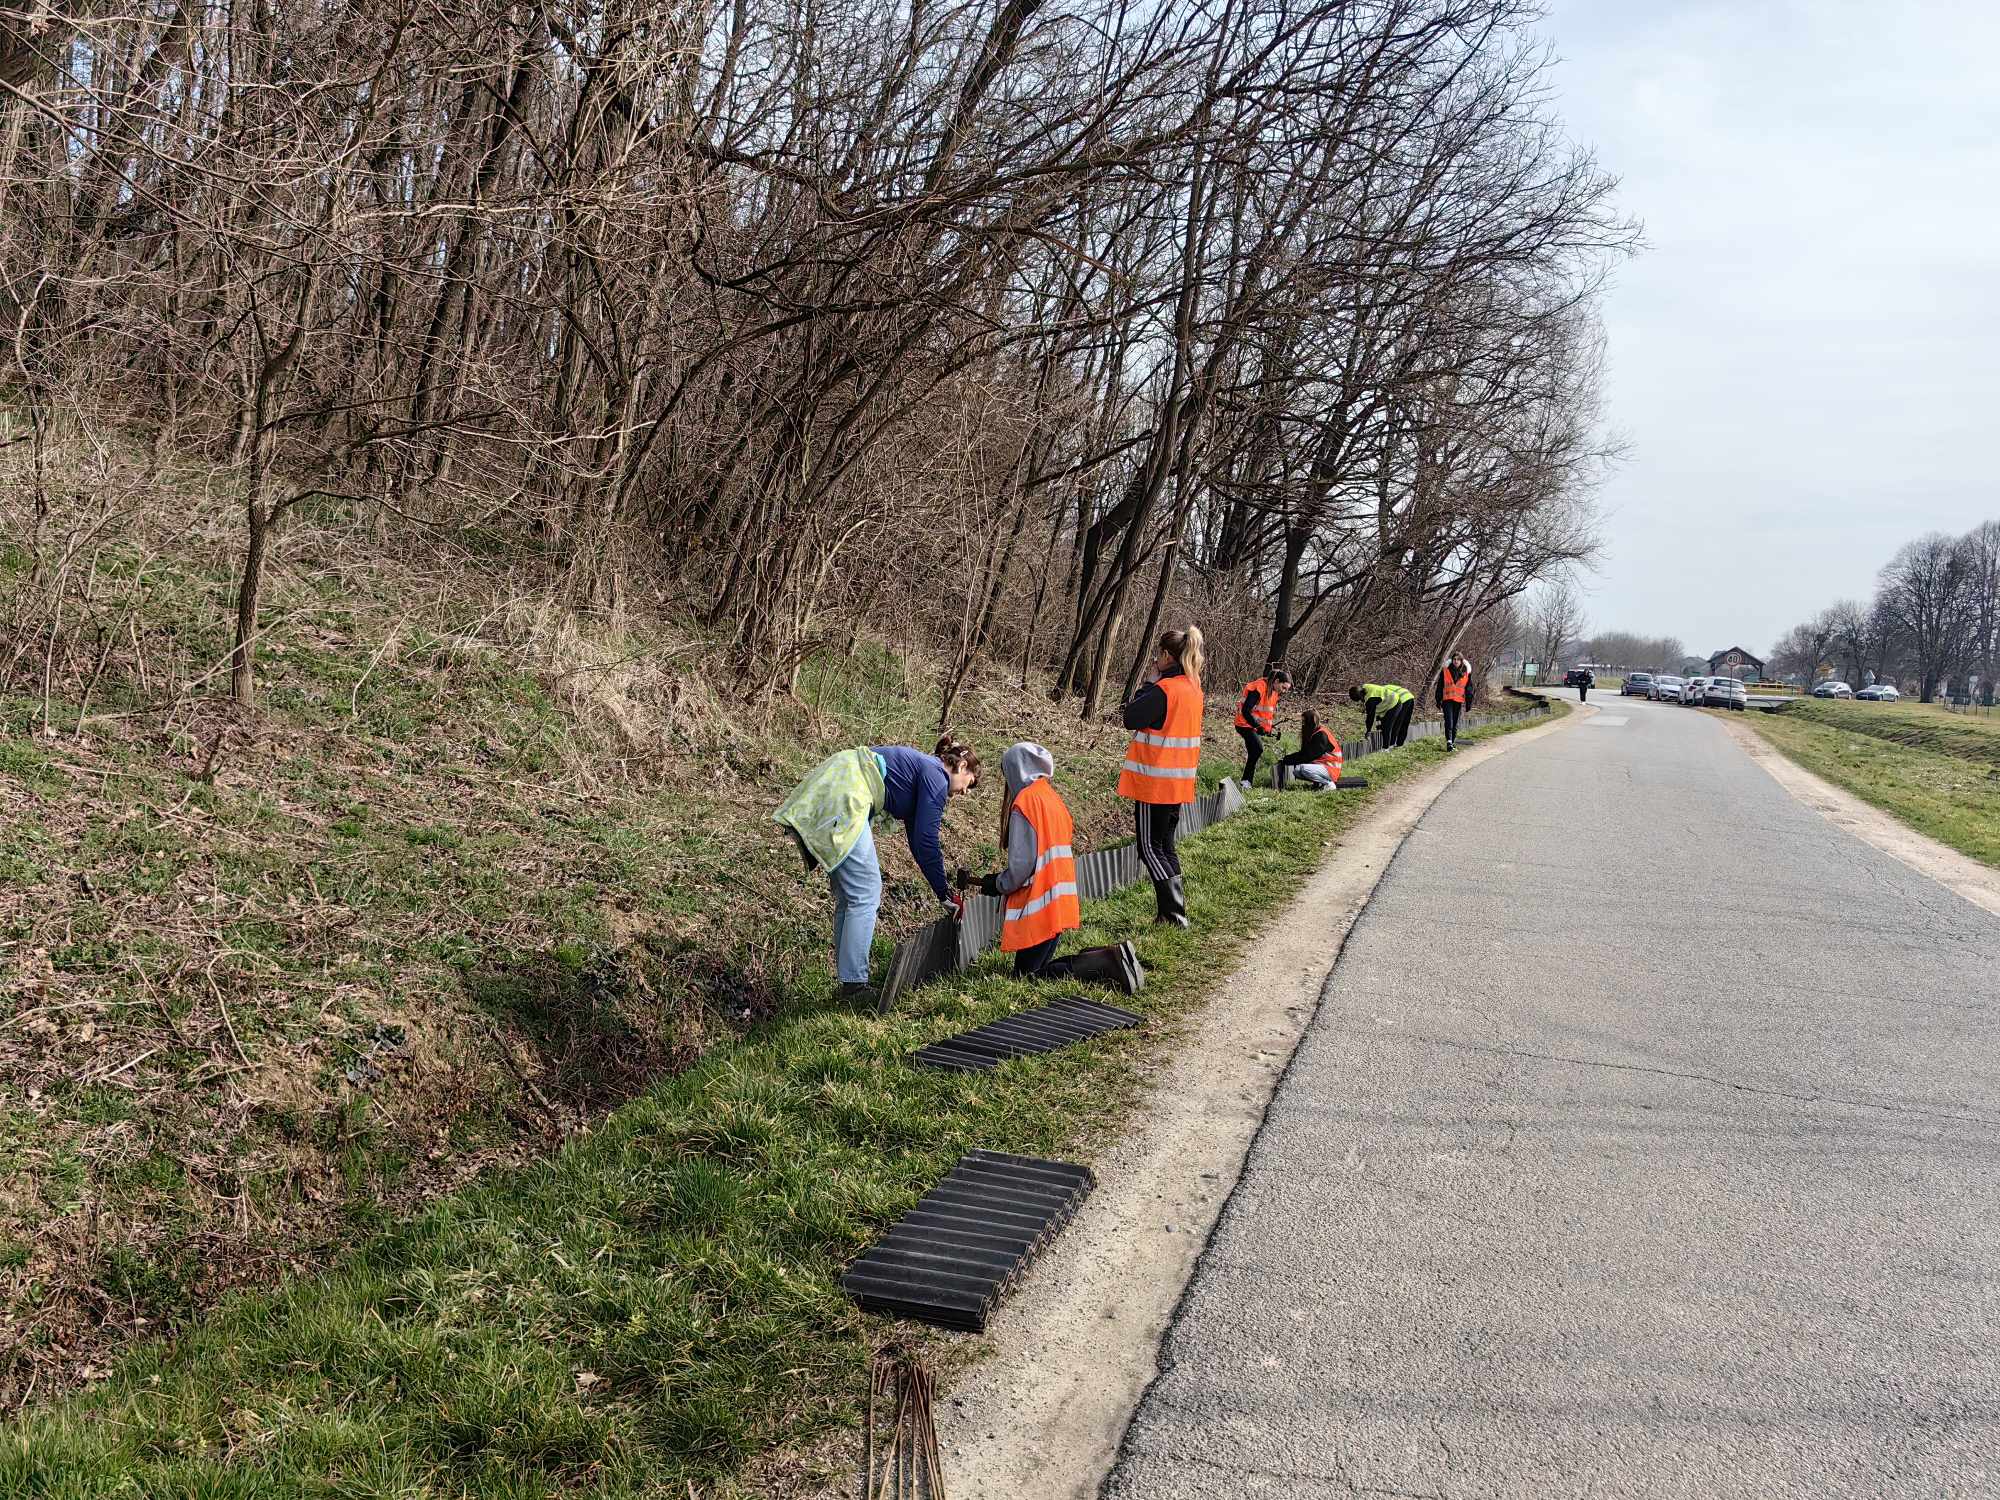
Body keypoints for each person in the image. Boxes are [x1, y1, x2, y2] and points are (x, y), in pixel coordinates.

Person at [774, 733, 980, 1005]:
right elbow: (927, 840)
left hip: (838, 780)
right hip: (848, 791)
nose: (964, 792)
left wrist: (942, 891)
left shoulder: (923, 770)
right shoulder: (936, 775)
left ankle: (849, 984)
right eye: (969, 784)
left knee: (851, 897)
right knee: (866, 891)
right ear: (962, 767)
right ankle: (855, 988)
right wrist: (944, 894)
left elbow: (918, 843)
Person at [962, 743, 1144, 994]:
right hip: (1057, 902)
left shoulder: (1025, 803)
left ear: (1016, 770)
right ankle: (1107, 957)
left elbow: (1022, 866)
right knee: (1038, 970)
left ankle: (1105, 961)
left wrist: (999, 884)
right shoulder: (1049, 797)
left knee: (1028, 978)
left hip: (1040, 908)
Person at [1119, 625, 1205, 929]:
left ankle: (1173, 915)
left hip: (1153, 783)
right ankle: (1174, 914)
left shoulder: (1164, 690)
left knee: (1148, 847)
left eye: (1159, 655)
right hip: (1178, 782)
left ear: (1167, 656)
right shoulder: (1193, 688)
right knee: (1165, 846)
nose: (1156, 659)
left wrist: (1148, 682)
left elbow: (1130, 716)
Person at [1234, 666, 1290, 787]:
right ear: (1276, 682)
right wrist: (1257, 726)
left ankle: (1246, 781)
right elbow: (1246, 711)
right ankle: (1246, 781)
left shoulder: (1273, 692)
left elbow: (1263, 714)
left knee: (1254, 752)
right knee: (1258, 749)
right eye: (1283, 687)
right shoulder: (1259, 687)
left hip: (1252, 726)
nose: (1284, 691)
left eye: (1286, 689)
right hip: (1244, 724)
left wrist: (1267, 730)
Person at [1279, 708, 1344, 789]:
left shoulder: (1321, 735)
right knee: (1297, 772)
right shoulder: (1315, 733)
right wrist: (1287, 759)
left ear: (1310, 722)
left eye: (1304, 721)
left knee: (1302, 768)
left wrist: (1287, 759)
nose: (1303, 724)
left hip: (1331, 769)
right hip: (1325, 767)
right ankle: (1319, 784)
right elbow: (1305, 753)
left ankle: (1328, 784)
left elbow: (1307, 756)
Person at [1350, 680, 1415, 748]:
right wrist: (1379, 726)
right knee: (1404, 723)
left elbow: (1372, 716)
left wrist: (1370, 730)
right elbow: (1379, 714)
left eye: (1360, 699)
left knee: (1396, 723)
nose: (1361, 701)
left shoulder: (1373, 697)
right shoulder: (1371, 689)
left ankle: (1390, 745)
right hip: (1409, 696)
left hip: (1403, 699)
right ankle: (1399, 744)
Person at [1435, 651, 1472, 751]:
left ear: (1461, 661)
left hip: (1458, 701)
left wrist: (1469, 703)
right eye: (1454, 659)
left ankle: (1453, 742)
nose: (1456, 661)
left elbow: (1469, 689)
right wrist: (1438, 700)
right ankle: (1449, 742)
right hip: (1447, 700)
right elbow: (1440, 686)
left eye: (1458, 659)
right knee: (1449, 721)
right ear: (1452, 660)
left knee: (1455, 723)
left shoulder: (1466, 673)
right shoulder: (1446, 670)